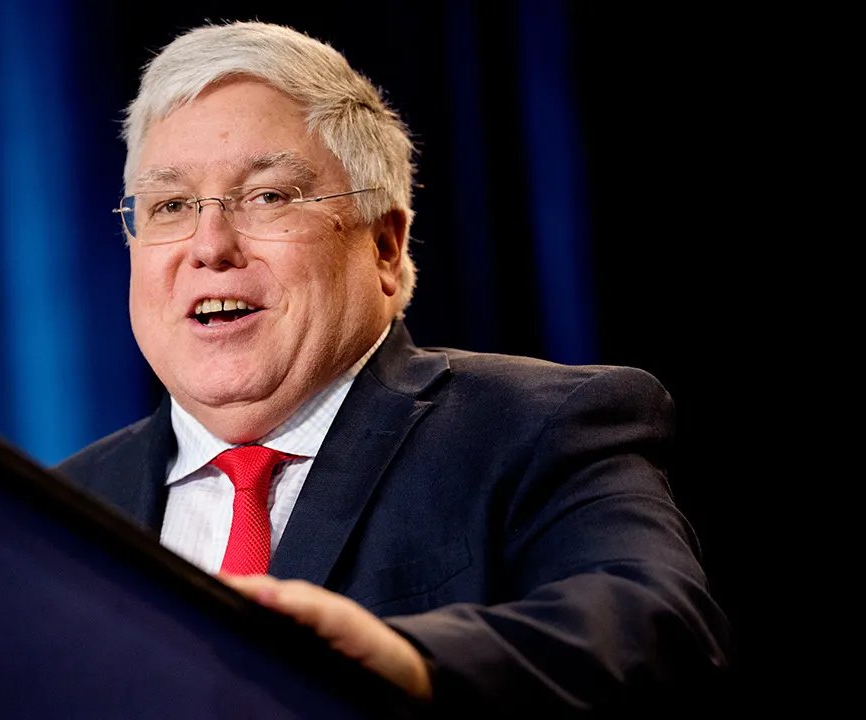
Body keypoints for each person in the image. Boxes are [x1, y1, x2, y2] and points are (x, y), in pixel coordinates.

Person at [55, 20, 730, 715]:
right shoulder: (59, 507)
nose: (209, 247)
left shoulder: (538, 429)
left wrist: (412, 666)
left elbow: (657, 629)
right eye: (170, 206)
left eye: (268, 196)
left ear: (384, 245)